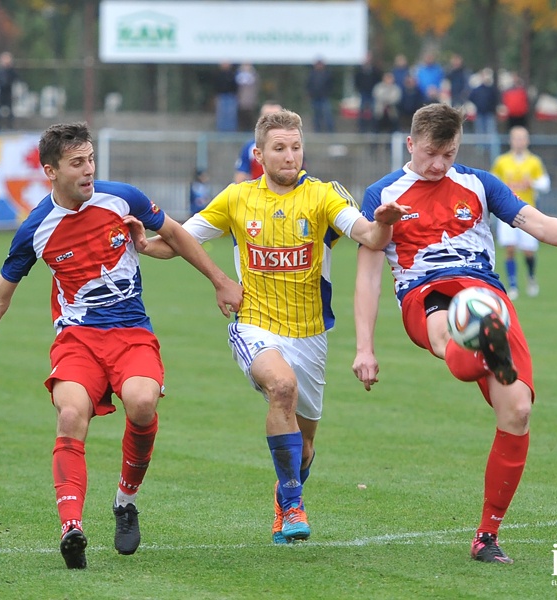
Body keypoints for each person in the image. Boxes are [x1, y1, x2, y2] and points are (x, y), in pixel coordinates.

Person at [0, 122, 242, 569]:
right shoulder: (36, 228)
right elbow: (0, 297)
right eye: (77, 163)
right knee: (70, 413)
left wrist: (220, 281)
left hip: (131, 333)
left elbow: (175, 234)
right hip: (77, 341)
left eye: (91, 159)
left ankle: (124, 502)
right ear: (50, 171)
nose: (89, 171)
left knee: (142, 403)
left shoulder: (123, 199)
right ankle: (71, 528)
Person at [353, 102, 557, 564]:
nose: (439, 164)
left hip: (486, 292)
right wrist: (364, 348)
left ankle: (486, 536)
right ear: (411, 144)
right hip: (425, 291)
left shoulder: (478, 183)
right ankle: (481, 343)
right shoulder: (383, 195)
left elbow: (532, 220)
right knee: (444, 335)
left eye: (448, 154)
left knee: (518, 411)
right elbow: (369, 273)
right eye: (431, 152)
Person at [137, 108, 407, 545]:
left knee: (307, 444)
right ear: (259, 154)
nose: (290, 156)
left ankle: (285, 496)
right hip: (255, 325)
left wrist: (383, 223)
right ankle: (295, 502)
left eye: (296, 147)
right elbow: (180, 240)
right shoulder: (236, 198)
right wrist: (144, 244)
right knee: (281, 388)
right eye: (279, 148)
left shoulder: (323, 197)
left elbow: (369, 238)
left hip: (311, 334)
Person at [490, 126, 550, 299]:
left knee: (528, 250)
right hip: (506, 212)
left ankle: (531, 277)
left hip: (528, 212)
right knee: (509, 248)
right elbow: (492, 181)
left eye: (522, 138)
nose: (519, 141)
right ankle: (513, 285)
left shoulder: (534, 162)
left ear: (527, 141)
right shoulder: (502, 161)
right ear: (511, 140)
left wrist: (532, 183)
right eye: (516, 138)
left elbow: (545, 184)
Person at [233, 100, 283, 183]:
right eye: (267, 117)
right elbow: (240, 177)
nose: (271, 121)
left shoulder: (292, 147)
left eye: (276, 118)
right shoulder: (250, 147)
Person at [354, 52, 382, 133]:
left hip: (372, 93)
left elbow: (378, 79)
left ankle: (373, 129)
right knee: (362, 111)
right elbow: (357, 80)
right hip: (363, 92)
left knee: (374, 112)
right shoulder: (360, 70)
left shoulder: (375, 70)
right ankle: (361, 129)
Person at [306, 58, 335, 133]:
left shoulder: (327, 74)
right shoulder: (312, 74)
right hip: (315, 97)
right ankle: (317, 131)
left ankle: (330, 131)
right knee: (316, 115)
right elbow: (308, 85)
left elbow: (331, 85)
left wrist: (327, 93)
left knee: (327, 114)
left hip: (324, 97)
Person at [0, 51, 19, 130]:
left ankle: (10, 126)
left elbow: (15, 78)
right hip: (1, 91)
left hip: (8, 92)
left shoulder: (11, 71)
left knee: (10, 110)